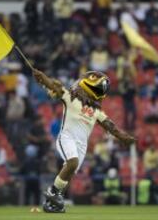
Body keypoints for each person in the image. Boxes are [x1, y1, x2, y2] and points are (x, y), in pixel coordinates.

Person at [32, 68, 135, 213]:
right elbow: (55, 86)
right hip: (67, 137)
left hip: (82, 145)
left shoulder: (96, 112)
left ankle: (52, 203)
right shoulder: (70, 98)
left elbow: (110, 126)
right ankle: (53, 192)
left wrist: (124, 137)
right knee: (72, 162)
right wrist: (42, 77)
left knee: (69, 172)